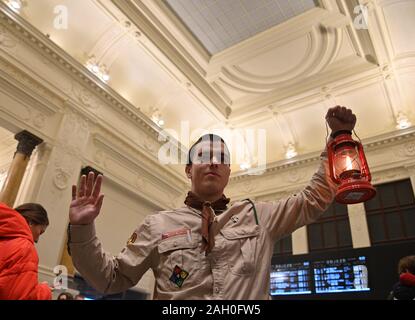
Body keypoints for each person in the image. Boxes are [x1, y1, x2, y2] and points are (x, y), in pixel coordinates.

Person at [67, 106, 356, 299]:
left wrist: (338, 140)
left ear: (229, 171)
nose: (213, 163)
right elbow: (110, 278)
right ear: (189, 170)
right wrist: (82, 228)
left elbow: (312, 200)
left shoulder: (258, 216)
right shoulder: (157, 225)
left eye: (222, 158)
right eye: (204, 157)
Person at [0, 202, 51, 300]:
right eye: (40, 232)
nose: (37, 240)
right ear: (31, 222)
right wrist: (44, 290)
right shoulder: (24, 247)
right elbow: (18, 296)